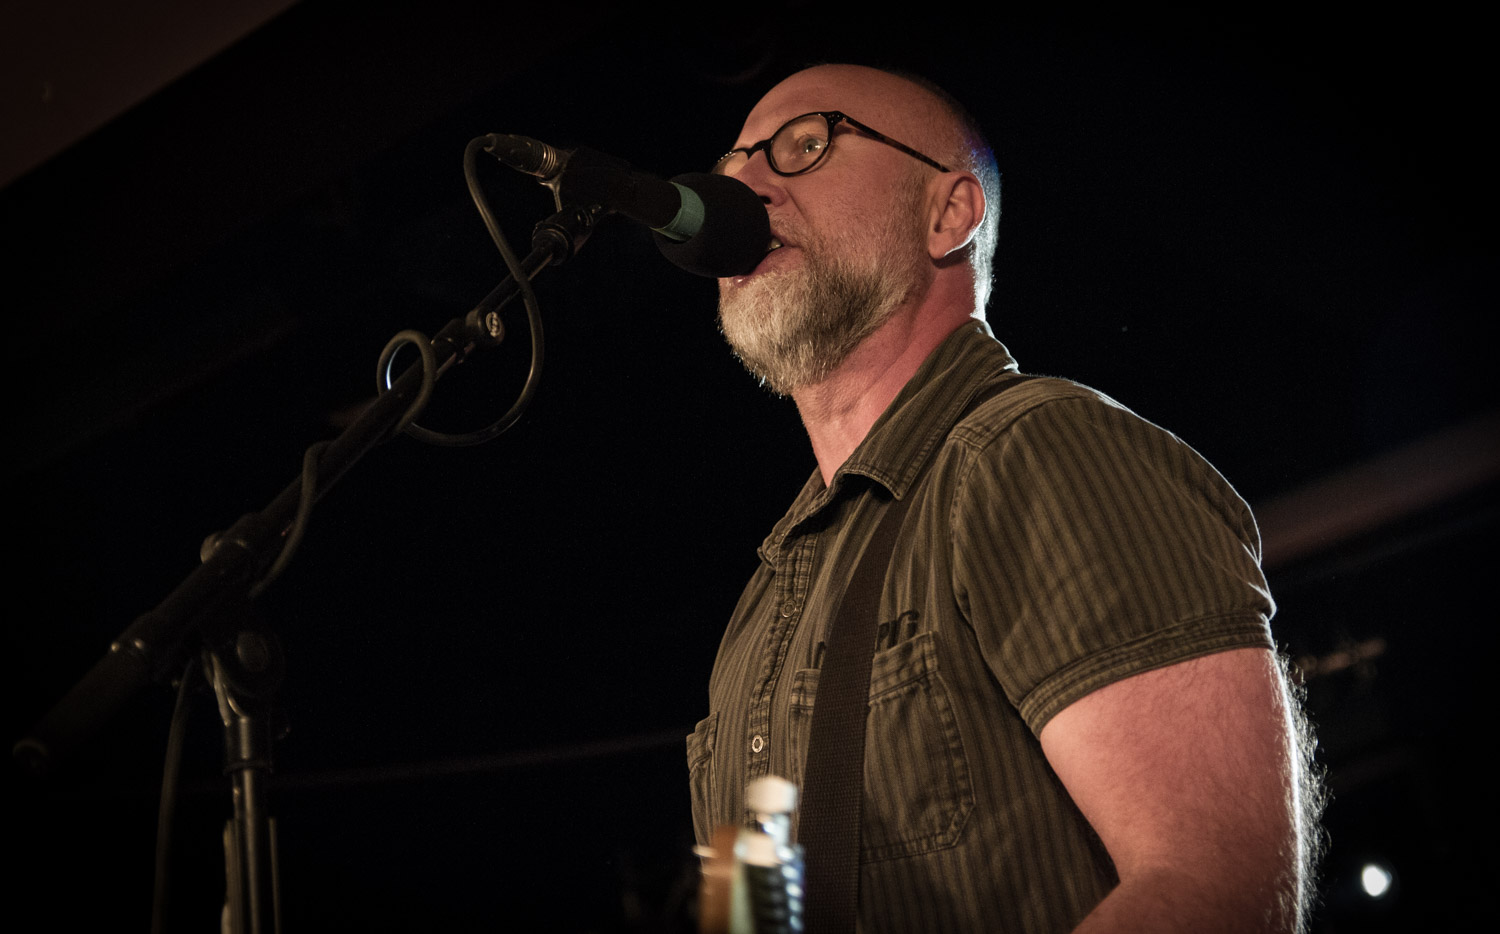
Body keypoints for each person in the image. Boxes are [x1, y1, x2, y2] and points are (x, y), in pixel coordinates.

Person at [685, 63, 1321, 933]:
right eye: (732, 167)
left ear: (949, 213)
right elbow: (749, 917)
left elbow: (1218, 890)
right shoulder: (758, 609)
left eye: (806, 145)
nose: (745, 184)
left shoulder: (1039, 452)